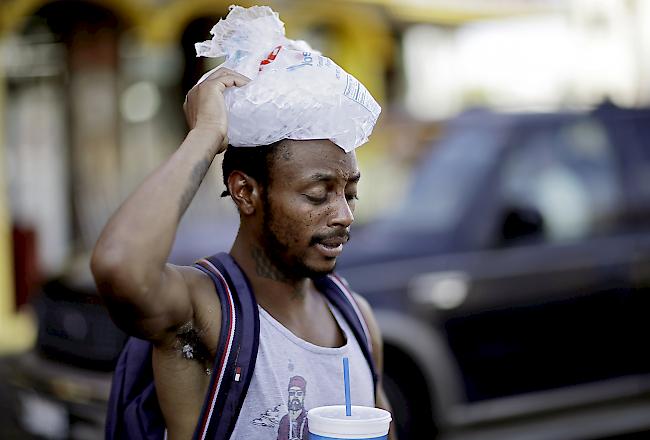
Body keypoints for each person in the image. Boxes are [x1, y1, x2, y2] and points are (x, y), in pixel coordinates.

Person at [91, 67, 394, 439]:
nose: (344, 216)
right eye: (318, 194)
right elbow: (120, 266)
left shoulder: (357, 319)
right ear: (245, 192)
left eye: (350, 194)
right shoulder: (205, 313)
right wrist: (205, 136)